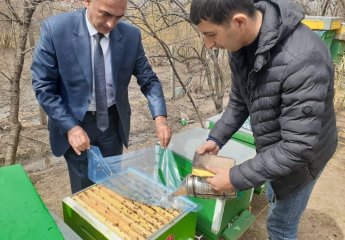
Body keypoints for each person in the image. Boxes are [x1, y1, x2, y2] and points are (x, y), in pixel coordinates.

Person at [191, 0, 338, 239]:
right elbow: (240, 101)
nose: (209, 45)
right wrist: (216, 138)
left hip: (303, 160)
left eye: (211, 35)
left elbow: (297, 148)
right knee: (273, 193)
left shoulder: (302, 59)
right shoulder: (240, 46)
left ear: (239, 21)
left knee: (280, 225)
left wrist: (234, 178)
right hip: (277, 148)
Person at [31, 0, 171, 194]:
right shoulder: (56, 30)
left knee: (111, 184)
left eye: (119, 16)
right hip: (76, 122)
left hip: (112, 124)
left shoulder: (130, 36)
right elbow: (43, 85)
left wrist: (160, 119)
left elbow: (149, 81)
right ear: (87, 2)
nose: (111, 24)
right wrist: (70, 127)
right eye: (105, 14)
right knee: (84, 190)